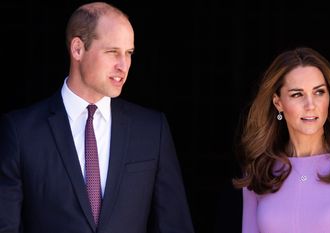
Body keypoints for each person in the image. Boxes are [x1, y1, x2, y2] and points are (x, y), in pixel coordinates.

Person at [0, 2, 194, 233]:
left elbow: (174, 225)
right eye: (112, 52)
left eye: (129, 53)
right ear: (78, 49)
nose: (124, 65)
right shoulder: (21, 131)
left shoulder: (152, 130)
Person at [233, 47, 330, 233]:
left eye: (319, 92)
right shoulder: (259, 170)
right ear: (278, 103)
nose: (310, 105)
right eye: (297, 94)